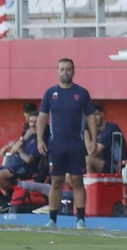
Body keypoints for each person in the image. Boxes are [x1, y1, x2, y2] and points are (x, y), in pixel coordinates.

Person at [37, 58, 96, 228]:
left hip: (76, 145)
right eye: (62, 69)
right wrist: (41, 139)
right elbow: (42, 117)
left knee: (77, 180)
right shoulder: (50, 94)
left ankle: (80, 219)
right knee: (56, 181)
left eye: (68, 69)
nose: (65, 72)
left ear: (73, 71)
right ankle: (52, 219)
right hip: (56, 145)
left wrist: (92, 139)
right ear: (57, 71)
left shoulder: (82, 93)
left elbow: (91, 116)